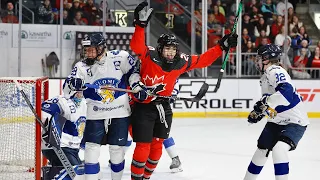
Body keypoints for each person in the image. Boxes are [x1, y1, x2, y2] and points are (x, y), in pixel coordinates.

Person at [129, 2, 238, 180]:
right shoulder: (149, 55)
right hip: (144, 107)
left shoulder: (181, 61)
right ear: (160, 49)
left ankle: (146, 177)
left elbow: (203, 60)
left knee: (157, 146)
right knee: (143, 145)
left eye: (173, 49)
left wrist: (221, 47)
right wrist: (140, 26)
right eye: (167, 49)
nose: (171, 53)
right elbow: (136, 46)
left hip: (163, 107)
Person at [63, 33, 139, 180]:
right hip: (94, 113)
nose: (88, 53)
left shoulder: (120, 57)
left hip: (120, 113)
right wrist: (73, 84)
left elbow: (134, 73)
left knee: (117, 151)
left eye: (91, 49)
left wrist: (137, 84)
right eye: (86, 49)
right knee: (91, 149)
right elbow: (66, 89)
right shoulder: (81, 67)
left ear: (101, 48)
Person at [243, 44, 309, 180]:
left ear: (267, 59)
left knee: (279, 150)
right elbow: (271, 103)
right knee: (262, 149)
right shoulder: (265, 77)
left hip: (294, 121)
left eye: (260, 58)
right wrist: (260, 112)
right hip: (276, 121)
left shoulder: (275, 71)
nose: (257, 61)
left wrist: (265, 104)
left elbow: (286, 94)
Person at [41, 91, 87, 179]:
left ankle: (50, 175)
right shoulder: (63, 101)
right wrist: (49, 130)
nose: (80, 96)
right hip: (59, 147)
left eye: (81, 93)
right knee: (74, 175)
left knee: (81, 173)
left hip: (72, 149)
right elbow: (45, 109)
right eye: (77, 93)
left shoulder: (84, 104)